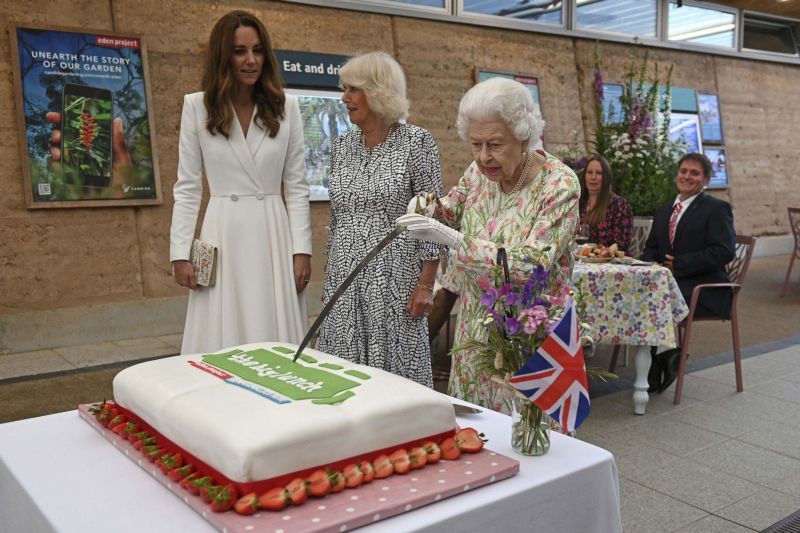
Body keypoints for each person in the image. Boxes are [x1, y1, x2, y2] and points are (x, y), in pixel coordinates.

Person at [398, 77, 580, 413]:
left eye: (495, 145)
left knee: (530, 438)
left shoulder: (559, 184)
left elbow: (532, 263)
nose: (484, 157)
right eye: (475, 144)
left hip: (529, 331)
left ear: (524, 137)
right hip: (476, 327)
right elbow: (451, 208)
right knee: (476, 430)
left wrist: (452, 240)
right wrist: (425, 206)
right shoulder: (479, 172)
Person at [170, 10, 311, 354]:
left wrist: (301, 250)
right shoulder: (197, 107)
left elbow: (296, 186)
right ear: (223, 56)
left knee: (273, 331)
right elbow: (188, 187)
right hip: (222, 232)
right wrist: (180, 252)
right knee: (222, 336)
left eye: (258, 50)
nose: (251, 60)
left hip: (272, 233)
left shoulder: (285, 107)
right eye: (240, 51)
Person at [316, 52, 442, 388]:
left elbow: (430, 217)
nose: (345, 98)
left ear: (378, 91)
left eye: (353, 89)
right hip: (344, 277)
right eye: (345, 89)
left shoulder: (417, 142)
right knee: (343, 375)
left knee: (394, 379)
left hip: (395, 280)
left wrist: (427, 284)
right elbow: (338, 214)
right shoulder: (341, 146)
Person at [643, 152, 735, 392]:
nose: (687, 176)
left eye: (695, 173)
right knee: (637, 296)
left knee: (654, 301)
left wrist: (680, 264)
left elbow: (724, 251)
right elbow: (651, 248)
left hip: (705, 289)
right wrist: (653, 264)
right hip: (669, 286)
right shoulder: (664, 211)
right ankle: (665, 356)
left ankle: (658, 362)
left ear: (705, 180)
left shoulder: (717, 209)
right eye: (684, 171)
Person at [579, 155, 633, 252]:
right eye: (589, 172)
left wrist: (607, 251)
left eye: (599, 173)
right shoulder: (579, 203)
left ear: (606, 177)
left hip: (611, 263)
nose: (593, 177)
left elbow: (622, 243)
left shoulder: (619, 205)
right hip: (582, 260)